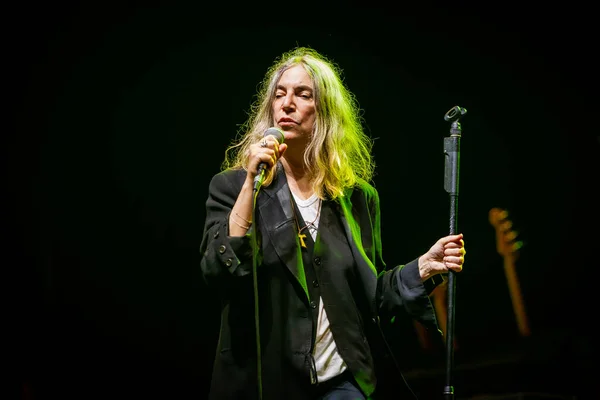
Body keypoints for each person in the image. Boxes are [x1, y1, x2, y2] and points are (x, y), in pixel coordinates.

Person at [199, 46, 466, 400]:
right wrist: (251, 184)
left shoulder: (356, 198)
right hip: (265, 382)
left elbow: (370, 297)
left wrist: (422, 268)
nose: (287, 104)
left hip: (342, 383)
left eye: (302, 94)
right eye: (279, 94)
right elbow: (219, 270)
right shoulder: (233, 187)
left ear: (323, 112)